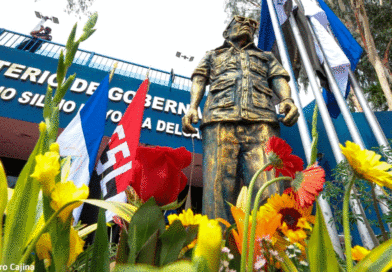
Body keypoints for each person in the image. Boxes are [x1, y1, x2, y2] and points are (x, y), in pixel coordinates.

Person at [182, 16, 300, 223]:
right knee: (218, 187)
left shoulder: (265, 57)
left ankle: (269, 247)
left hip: (262, 121)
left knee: (269, 186)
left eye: (251, 24)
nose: (246, 24)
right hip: (220, 120)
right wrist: (192, 107)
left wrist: (287, 99)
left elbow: (278, 78)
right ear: (226, 33)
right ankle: (217, 247)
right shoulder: (213, 55)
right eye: (239, 22)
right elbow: (199, 78)